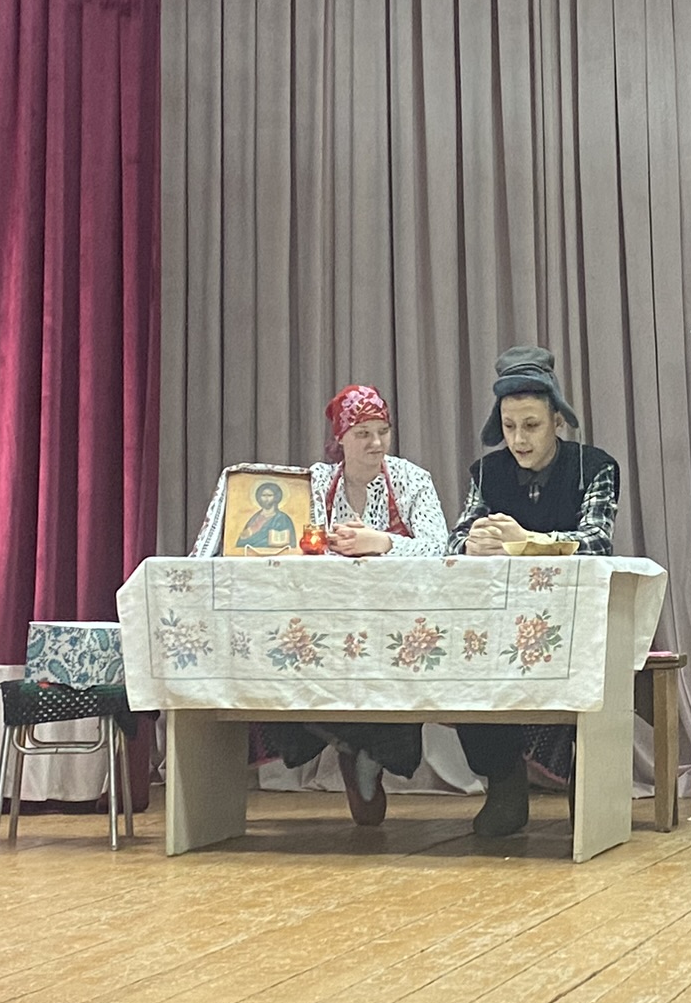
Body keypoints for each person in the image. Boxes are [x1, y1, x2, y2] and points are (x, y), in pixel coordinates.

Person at [256, 384, 451, 825]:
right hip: (325, 618)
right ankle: (350, 746)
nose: (376, 443)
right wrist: (325, 544)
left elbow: (439, 546)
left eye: (383, 431)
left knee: (392, 670)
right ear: (340, 439)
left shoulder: (412, 480)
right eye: (363, 433)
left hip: (395, 620)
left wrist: (381, 542)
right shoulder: (317, 483)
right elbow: (288, 542)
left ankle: (369, 754)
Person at [449, 346, 622, 837]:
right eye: (509, 427)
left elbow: (597, 541)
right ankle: (503, 782)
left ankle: (586, 782)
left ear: (557, 422)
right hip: (500, 618)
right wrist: (472, 542)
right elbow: (455, 538)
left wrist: (526, 542)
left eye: (531, 426)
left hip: (574, 619)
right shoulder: (486, 472)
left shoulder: (594, 467)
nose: (519, 440)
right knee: (465, 658)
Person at [234, 481, 297, 553]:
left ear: (276, 497)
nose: (266, 498)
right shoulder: (254, 518)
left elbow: (291, 543)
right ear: (259, 498)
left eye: (269, 495)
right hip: (252, 554)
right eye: (263, 495)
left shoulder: (283, 518)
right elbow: (242, 541)